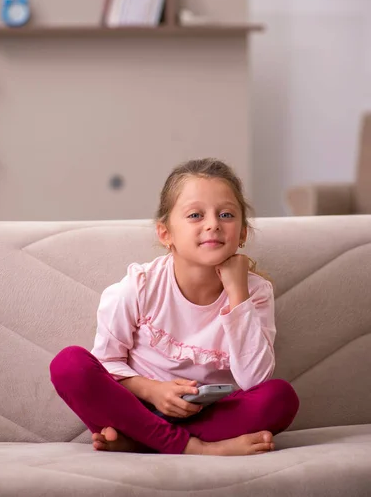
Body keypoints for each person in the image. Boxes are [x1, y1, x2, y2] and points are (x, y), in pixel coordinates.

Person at [50, 158, 299, 456]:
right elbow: (106, 363)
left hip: (207, 415)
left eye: (226, 214)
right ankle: (198, 449)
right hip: (137, 408)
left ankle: (143, 443)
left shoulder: (254, 292)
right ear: (165, 233)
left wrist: (236, 292)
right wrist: (153, 391)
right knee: (69, 365)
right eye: (195, 215)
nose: (213, 224)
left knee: (281, 397)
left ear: (242, 233)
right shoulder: (139, 286)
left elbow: (254, 379)